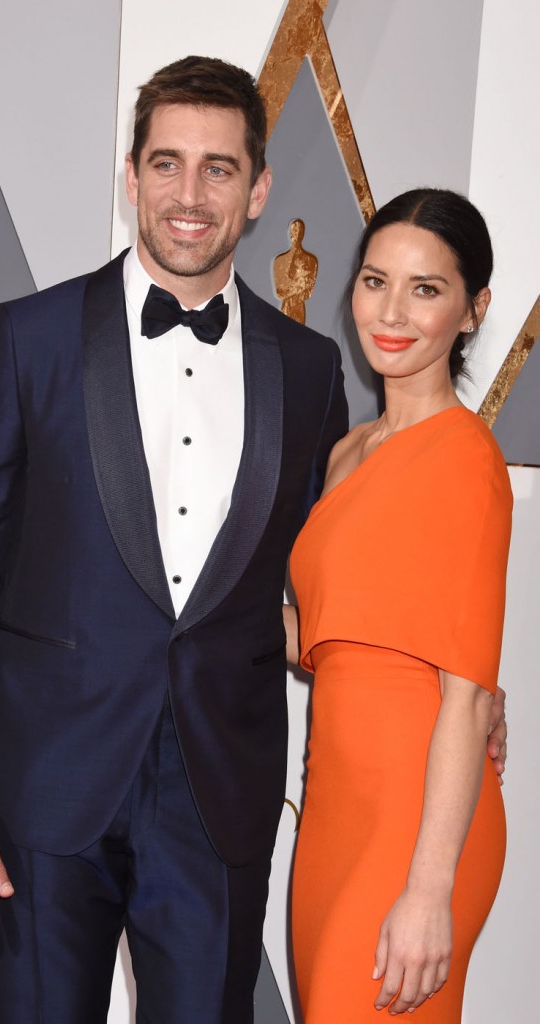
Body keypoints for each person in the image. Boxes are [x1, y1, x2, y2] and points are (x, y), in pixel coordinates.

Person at [0, 58, 506, 1021]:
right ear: (133, 175)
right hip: (45, 797)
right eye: (168, 164)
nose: (190, 195)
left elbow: (330, 576)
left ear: (259, 187)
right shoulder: (29, 338)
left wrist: (463, 684)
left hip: (219, 798)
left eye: (219, 168)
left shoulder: (310, 375)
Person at [286, 188, 512, 1021]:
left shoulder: (464, 462)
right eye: (377, 281)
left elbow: (463, 693)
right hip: (334, 814)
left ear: (474, 307)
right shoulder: (350, 452)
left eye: (426, 289)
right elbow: (323, 634)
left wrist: (429, 889)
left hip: (420, 830)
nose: (392, 312)